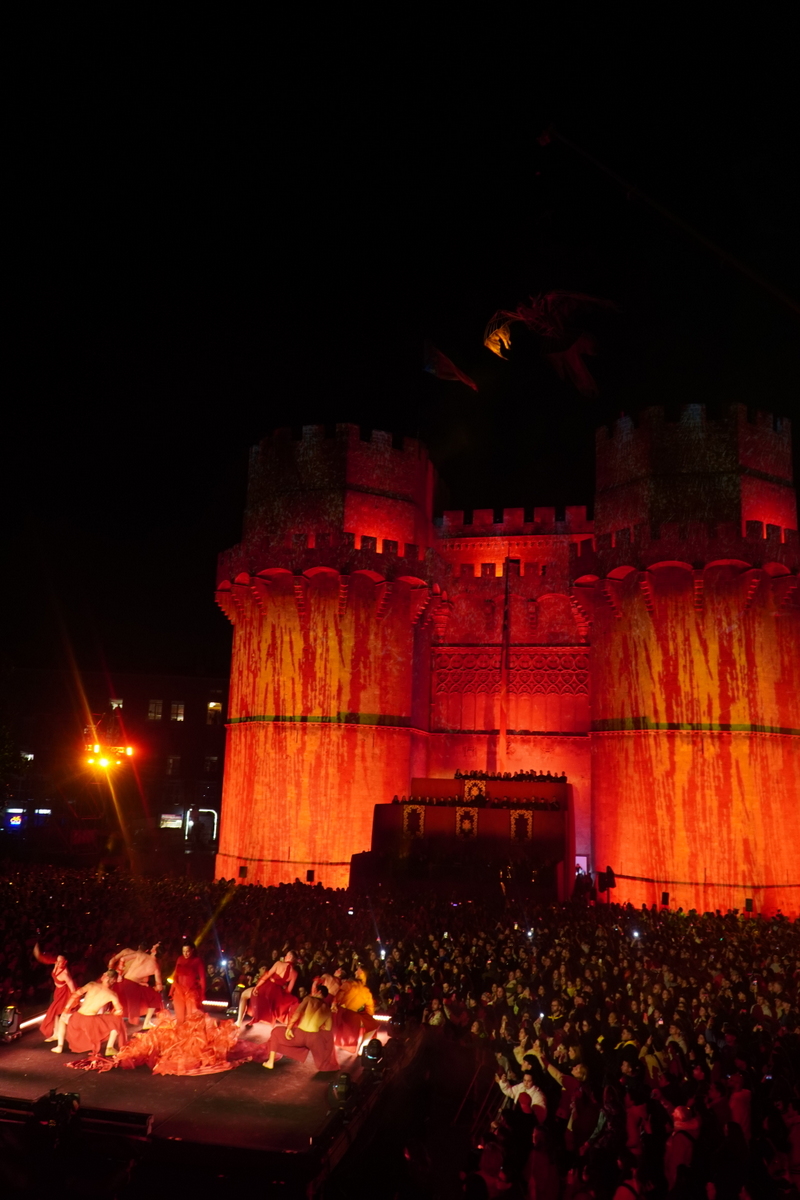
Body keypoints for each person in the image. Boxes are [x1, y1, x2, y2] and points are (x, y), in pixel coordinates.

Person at [263, 983, 339, 1072]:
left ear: (319, 991)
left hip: (300, 1034)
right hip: (314, 1039)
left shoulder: (309, 999)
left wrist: (289, 1028)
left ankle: (270, 1062)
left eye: (314, 990)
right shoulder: (327, 1009)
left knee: (276, 1032)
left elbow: (297, 1014)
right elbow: (328, 1028)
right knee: (321, 1066)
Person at [51, 970, 127, 1057]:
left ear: (104, 977)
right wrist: (110, 1014)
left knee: (62, 1019)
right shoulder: (112, 994)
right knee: (116, 1021)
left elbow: (75, 995)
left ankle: (59, 1046)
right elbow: (119, 1011)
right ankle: (110, 1047)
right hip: (90, 1022)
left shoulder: (92, 984)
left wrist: (66, 1010)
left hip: (77, 1019)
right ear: (113, 981)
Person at [109, 941, 162, 1027]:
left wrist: (118, 974)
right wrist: (155, 988)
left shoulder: (140, 955)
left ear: (153, 951)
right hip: (131, 986)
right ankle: (146, 1022)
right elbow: (159, 987)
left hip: (123, 981)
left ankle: (116, 1021)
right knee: (155, 996)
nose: (153, 947)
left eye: (155, 946)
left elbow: (122, 959)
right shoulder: (156, 966)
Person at [34, 942, 76, 1042]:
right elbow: (45, 960)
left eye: (60, 961)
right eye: (57, 960)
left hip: (64, 994)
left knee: (55, 1012)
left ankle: (59, 1034)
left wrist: (74, 999)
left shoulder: (65, 974)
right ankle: (56, 1033)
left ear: (65, 962)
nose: (58, 962)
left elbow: (72, 987)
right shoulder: (57, 963)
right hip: (58, 992)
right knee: (56, 1013)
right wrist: (38, 954)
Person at [248, 951, 299, 1024]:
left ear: (290, 957)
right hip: (278, 991)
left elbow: (266, 975)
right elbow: (288, 990)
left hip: (268, 987)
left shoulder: (278, 963)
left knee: (254, 995)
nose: (285, 957)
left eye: (286, 955)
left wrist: (257, 986)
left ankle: (256, 1017)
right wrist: (282, 993)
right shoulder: (294, 973)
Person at [170, 942, 205, 1023]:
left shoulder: (197, 961)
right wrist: (171, 990)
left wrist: (203, 994)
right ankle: (180, 1033)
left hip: (191, 991)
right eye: (183, 951)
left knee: (191, 1016)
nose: (185, 953)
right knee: (180, 1017)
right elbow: (175, 976)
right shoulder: (179, 959)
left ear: (192, 950)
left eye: (187, 951)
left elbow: (202, 978)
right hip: (179, 991)